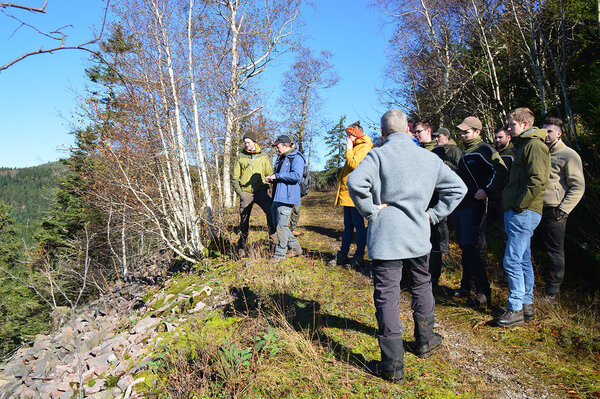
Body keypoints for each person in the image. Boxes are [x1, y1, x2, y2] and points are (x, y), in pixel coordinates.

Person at [347, 109, 467, 384]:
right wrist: (434, 214)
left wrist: (370, 211)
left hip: (386, 236)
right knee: (422, 285)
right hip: (417, 234)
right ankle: (425, 341)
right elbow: (458, 189)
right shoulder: (427, 157)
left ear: (382, 132)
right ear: (408, 131)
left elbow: (355, 182)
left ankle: (393, 366)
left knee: (387, 295)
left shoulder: (377, 155)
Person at [496, 107, 550, 327]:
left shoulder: (534, 146)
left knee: (512, 259)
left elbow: (538, 180)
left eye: (512, 125)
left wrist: (519, 205)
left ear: (525, 125)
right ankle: (526, 305)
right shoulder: (527, 146)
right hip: (521, 210)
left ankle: (515, 307)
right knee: (523, 258)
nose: (509, 129)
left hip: (523, 211)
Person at [453, 116, 508, 308]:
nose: (462, 135)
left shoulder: (484, 149)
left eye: (466, 132)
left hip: (474, 207)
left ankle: (483, 292)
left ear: (477, 132)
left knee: (471, 247)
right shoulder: (466, 152)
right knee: (465, 247)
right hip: (461, 206)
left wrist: (487, 190)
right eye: (461, 131)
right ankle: (466, 286)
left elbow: (501, 170)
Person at [538, 117, 585, 302]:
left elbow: (578, 186)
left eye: (550, 131)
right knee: (536, 249)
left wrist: (564, 209)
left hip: (554, 211)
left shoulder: (569, 155)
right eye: (544, 130)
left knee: (554, 252)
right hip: (535, 208)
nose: (546, 134)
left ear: (559, 133)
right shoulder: (539, 151)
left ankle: (552, 293)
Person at [328, 121, 373, 268]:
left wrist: (348, 149)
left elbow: (354, 164)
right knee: (347, 226)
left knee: (359, 226)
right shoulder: (356, 146)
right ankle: (343, 254)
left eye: (349, 135)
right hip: (347, 193)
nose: (347, 138)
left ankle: (359, 256)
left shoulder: (364, 147)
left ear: (356, 135)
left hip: (356, 193)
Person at [231, 132, 276, 258]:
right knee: (244, 221)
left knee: (271, 215)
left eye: (249, 142)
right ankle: (241, 248)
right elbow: (234, 177)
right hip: (246, 193)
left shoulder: (263, 156)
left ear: (255, 142)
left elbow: (270, 173)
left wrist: (269, 186)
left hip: (262, 191)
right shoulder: (241, 156)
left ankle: (275, 245)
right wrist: (241, 193)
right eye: (245, 142)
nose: (246, 145)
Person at [266, 135, 305, 261]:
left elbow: (296, 176)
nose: (276, 149)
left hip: (287, 197)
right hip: (277, 196)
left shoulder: (297, 158)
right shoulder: (281, 158)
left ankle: (280, 254)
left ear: (286, 145)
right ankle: (296, 248)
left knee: (281, 226)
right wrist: (273, 177)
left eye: (277, 147)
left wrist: (277, 176)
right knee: (280, 225)